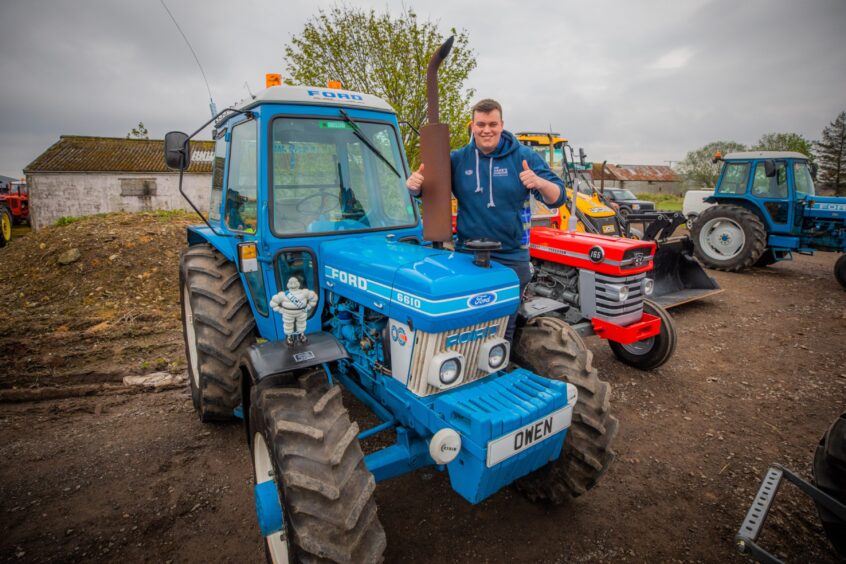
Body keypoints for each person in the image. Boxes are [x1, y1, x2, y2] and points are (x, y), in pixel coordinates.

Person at [406, 99, 567, 341]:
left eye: (493, 124)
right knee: (465, 322)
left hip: (512, 255)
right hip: (466, 254)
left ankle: (500, 368)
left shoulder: (524, 157)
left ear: (502, 125)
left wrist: (540, 183)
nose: (486, 130)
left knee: (505, 325)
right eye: (481, 124)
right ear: (472, 126)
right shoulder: (458, 159)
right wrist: (414, 186)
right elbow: (429, 190)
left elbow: (558, 197)